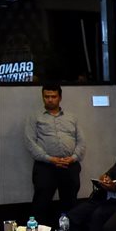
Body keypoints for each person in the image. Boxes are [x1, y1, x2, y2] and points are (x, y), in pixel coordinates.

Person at [24, 85, 86, 221]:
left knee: (70, 204)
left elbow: (81, 141)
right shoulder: (35, 117)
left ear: (60, 97)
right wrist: (50, 159)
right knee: (41, 204)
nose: (50, 100)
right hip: (45, 166)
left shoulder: (71, 117)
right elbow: (30, 142)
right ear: (43, 97)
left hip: (69, 165)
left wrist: (73, 158)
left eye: (53, 96)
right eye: (47, 97)